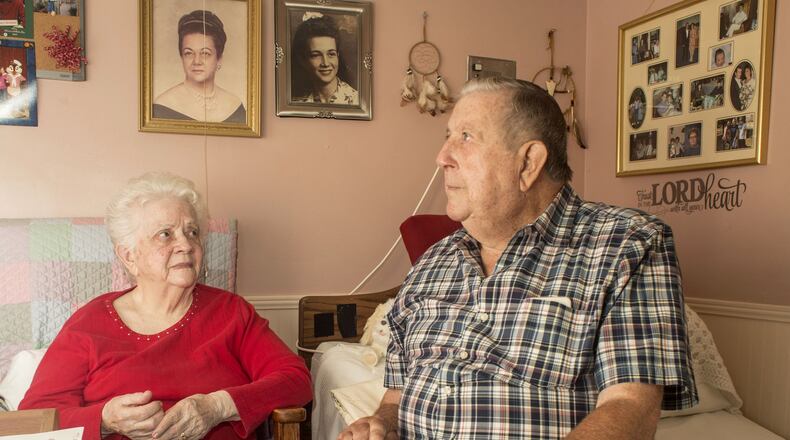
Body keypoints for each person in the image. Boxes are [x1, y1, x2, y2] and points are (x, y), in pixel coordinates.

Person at [339, 78, 697, 439]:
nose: (442, 157)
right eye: (448, 137)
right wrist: (382, 422)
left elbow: (631, 407)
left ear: (528, 163)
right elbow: (398, 394)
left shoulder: (627, 244)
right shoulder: (430, 264)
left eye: (466, 137)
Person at [19, 172, 312, 440]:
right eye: (165, 234)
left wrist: (217, 406)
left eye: (192, 232)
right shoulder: (89, 323)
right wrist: (104, 420)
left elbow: (296, 380)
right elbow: (34, 418)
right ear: (129, 256)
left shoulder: (230, 312)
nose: (186, 245)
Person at [153, 10, 246, 123]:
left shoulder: (235, 106)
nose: (196, 61)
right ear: (182, 57)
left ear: (219, 59)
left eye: (205, 53)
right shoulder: (162, 107)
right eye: (189, 53)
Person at [291, 14, 358, 105]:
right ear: (303, 60)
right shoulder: (296, 102)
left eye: (331, 54)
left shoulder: (357, 101)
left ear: (337, 56)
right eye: (316, 55)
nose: (325, 63)